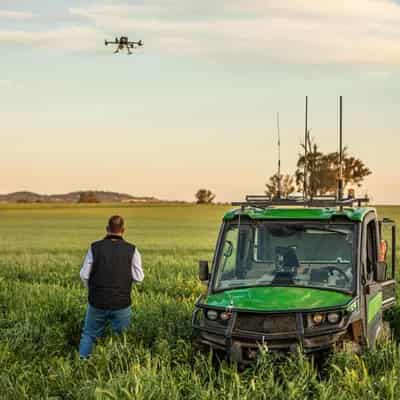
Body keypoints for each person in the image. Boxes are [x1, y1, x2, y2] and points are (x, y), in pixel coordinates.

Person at [78, 215, 144, 358]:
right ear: (123, 230)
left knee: (89, 334)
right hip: (121, 303)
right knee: (122, 338)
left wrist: (92, 290)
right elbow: (139, 278)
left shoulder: (94, 247)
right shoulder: (132, 250)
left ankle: (81, 365)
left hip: (97, 302)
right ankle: (118, 368)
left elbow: (84, 275)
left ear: (107, 229)